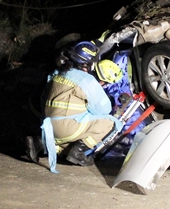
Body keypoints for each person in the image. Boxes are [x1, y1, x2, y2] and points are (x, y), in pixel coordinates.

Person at [28, 41, 123, 172]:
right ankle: (78, 152)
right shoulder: (85, 79)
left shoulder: (57, 72)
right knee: (110, 123)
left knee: (65, 142)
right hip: (66, 126)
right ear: (87, 63)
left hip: (47, 125)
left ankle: (38, 142)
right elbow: (104, 110)